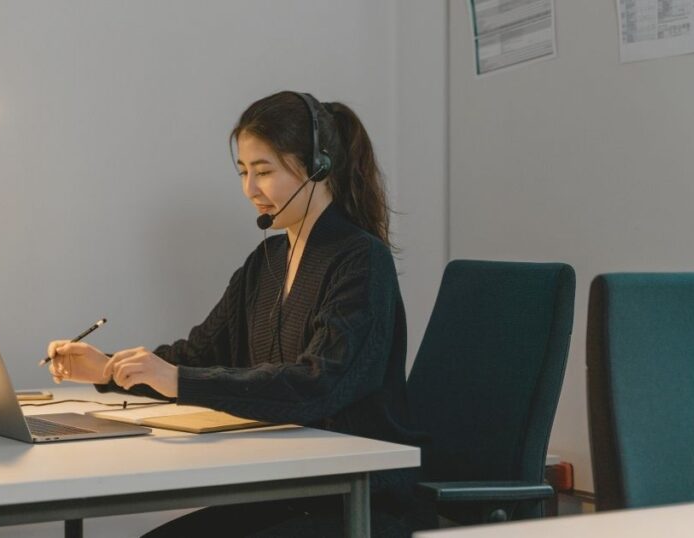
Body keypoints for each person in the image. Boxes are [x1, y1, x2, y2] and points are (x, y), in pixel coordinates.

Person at [46, 91, 423, 537]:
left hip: (351, 499)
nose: (250, 189)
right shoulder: (264, 263)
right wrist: (107, 368)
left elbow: (318, 384)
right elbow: (200, 353)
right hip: (285, 488)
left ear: (318, 167)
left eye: (263, 171)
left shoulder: (360, 259)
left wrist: (177, 379)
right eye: (244, 172)